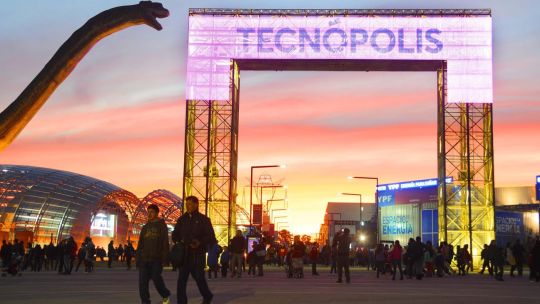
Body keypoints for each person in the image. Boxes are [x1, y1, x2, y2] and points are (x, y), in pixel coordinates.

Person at [172, 196, 216, 304]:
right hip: (184, 254)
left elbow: (211, 236)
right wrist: (179, 240)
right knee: (181, 280)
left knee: (199, 278)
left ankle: (207, 295)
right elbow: (175, 234)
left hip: (198, 254)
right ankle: (181, 301)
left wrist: (199, 242)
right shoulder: (182, 219)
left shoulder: (203, 219)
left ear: (196, 204)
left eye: (190, 204)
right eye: (187, 204)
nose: (188, 206)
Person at [136, 204, 171, 304]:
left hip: (156, 259)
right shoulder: (145, 228)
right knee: (142, 283)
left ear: (156, 213)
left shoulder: (161, 226)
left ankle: (165, 294)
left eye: (152, 212)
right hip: (144, 259)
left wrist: (165, 259)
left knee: (156, 279)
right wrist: (138, 258)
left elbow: (165, 243)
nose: (149, 214)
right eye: (148, 212)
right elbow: (140, 244)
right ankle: (145, 302)